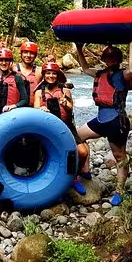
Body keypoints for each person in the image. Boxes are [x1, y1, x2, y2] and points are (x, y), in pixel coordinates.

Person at [74, 37, 132, 205]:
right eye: (108, 57)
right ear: (104, 59)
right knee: (76, 137)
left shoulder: (123, 76)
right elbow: (84, 68)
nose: (110, 60)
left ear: (118, 60)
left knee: (120, 157)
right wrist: (80, 49)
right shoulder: (99, 74)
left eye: (114, 57)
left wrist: (131, 47)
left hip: (116, 121)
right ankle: (84, 170)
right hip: (100, 119)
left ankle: (119, 191)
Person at [33, 62, 88, 195]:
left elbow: (70, 108)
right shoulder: (39, 92)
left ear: (57, 75)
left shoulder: (65, 90)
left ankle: (74, 177)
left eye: (53, 73)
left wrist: (65, 103)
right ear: (44, 75)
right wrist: (41, 109)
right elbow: (35, 109)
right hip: (48, 129)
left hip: (66, 125)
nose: (51, 76)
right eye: (48, 73)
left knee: (82, 152)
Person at [17, 41, 42, 106]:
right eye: (25, 52)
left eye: (31, 53)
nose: (28, 55)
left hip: (33, 109)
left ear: (35, 56)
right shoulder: (13, 68)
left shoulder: (39, 71)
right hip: (15, 108)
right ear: (21, 54)